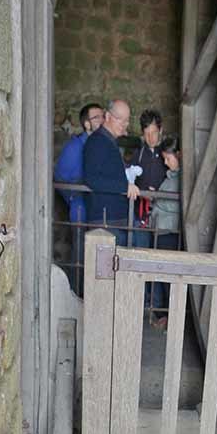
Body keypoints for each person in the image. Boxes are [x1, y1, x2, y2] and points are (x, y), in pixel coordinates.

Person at [83, 99, 146, 247]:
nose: (124, 124)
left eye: (127, 120)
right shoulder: (97, 142)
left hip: (113, 218)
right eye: (120, 119)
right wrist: (125, 186)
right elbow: (92, 179)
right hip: (106, 220)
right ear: (107, 116)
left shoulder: (108, 141)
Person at [54, 102, 104, 292]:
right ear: (86, 124)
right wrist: (74, 198)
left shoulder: (101, 144)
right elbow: (60, 177)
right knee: (81, 255)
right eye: (97, 117)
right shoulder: (75, 146)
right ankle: (77, 295)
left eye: (103, 116)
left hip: (98, 211)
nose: (102, 120)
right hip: (81, 210)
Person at [149, 135, 181, 328]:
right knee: (163, 276)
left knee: (169, 277)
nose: (165, 162)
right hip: (163, 231)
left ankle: (172, 318)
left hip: (170, 231)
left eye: (168, 158)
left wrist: (156, 198)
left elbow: (178, 204)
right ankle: (167, 316)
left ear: (179, 155)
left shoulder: (181, 179)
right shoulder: (171, 178)